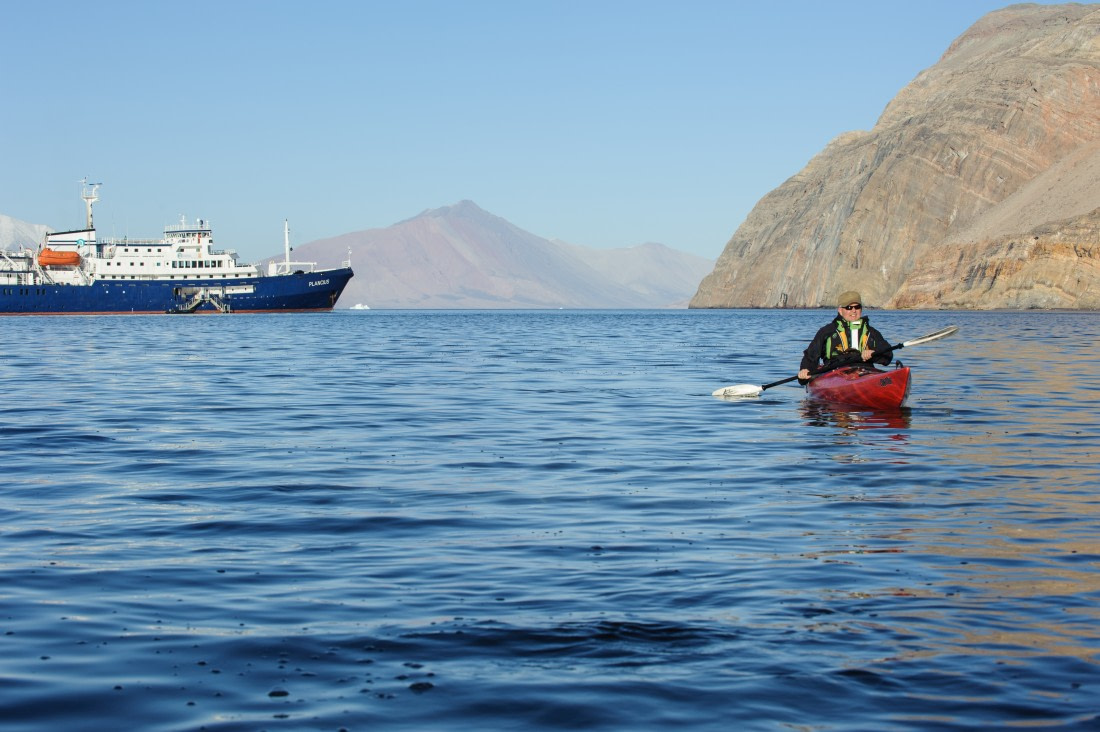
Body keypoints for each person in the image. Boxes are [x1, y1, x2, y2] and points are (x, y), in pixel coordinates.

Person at [798, 290, 891, 382]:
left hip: (865, 371)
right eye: (849, 307)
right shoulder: (826, 332)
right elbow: (810, 356)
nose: (854, 311)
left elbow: (888, 355)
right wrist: (805, 370)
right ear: (840, 310)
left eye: (857, 307)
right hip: (834, 373)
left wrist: (874, 354)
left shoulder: (872, 332)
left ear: (861, 309)